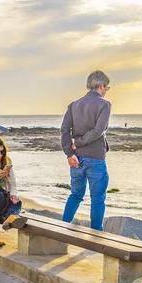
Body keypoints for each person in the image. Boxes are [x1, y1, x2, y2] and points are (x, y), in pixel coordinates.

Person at [60, 70, 112, 231]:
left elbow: (64, 131)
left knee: (75, 195)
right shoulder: (104, 104)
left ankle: (61, 229)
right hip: (96, 159)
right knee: (97, 199)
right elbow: (98, 131)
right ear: (102, 86)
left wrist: (70, 153)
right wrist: (79, 143)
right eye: (107, 88)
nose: (106, 91)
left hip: (76, 159)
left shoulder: (73, 105)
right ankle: (96, 235)